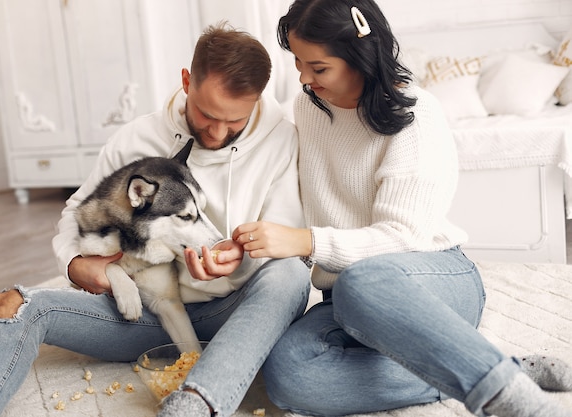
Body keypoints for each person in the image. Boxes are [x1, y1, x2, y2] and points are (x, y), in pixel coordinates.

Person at [0, 23, 311, 417]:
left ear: (257, 101)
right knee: (9, 306)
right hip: (145, 311)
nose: (217, 132)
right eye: (207, 114)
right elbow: (77, 209)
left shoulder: (281, 140)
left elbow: (281, 240)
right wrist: (74, 262)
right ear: (187, 81)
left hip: (238, 310)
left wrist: (238, 258)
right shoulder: (136, 137)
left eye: (234, 121)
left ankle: (193, 404)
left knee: (290, 274)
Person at [229, 1, 572, 416]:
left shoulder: (416, 113)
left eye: (318, 68)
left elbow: (401, 237)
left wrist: (305, 241)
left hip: (431, 280)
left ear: (360, 56)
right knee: (291, 375)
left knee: (361, 280)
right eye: (298, 63)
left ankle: (511, 399)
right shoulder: (308, 107)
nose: (303, 78)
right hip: (346, 296)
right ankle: (501, 368)